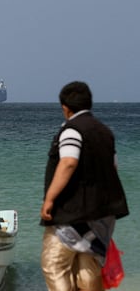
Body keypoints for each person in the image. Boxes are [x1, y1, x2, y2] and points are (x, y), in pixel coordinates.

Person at [40, 81, 129, 291]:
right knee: (88, 269)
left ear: (65, 108)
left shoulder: (71, 130)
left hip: (71, 214)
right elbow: (113, 167)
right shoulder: (105, 132)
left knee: (54, 265)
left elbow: (69, 162)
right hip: (101, 215)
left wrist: (50, 199)